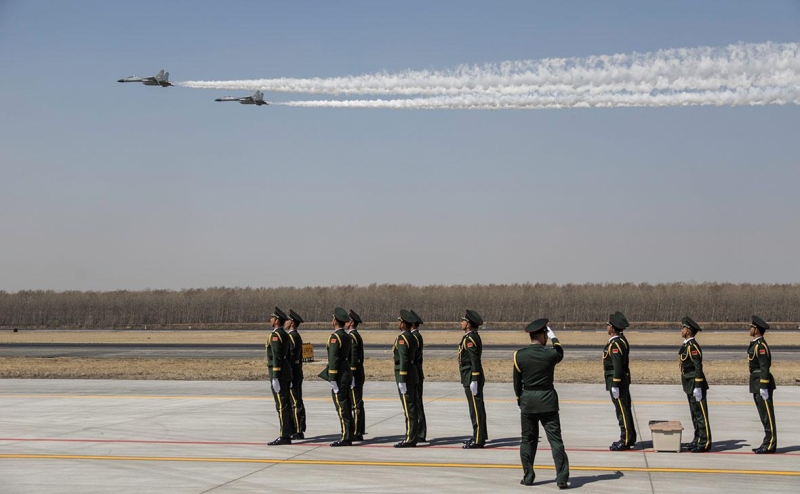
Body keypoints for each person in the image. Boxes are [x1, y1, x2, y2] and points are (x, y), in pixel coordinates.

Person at [513, 318, 569, 489]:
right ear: (543, 335)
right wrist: (554, 337)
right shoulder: (550, 354)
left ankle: (528, 476)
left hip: (528, 401)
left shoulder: (519, 355)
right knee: (555, 441)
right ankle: (561, 478)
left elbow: (517, 383)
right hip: (548, 401)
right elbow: (560, 351)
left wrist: (520, 399)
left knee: (527, 440)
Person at [319, 307, 354, 447]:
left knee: (341, 405)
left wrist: (332, 378)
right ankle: (349, 433)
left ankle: (346, 436)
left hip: (339, 374)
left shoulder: (335, 337)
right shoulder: (346, 336)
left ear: (335, 320)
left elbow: (333, 359)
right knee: (346, 404)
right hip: (346, 371)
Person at [603, 311, 637, 450]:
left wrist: (615, 383)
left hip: (617, 381)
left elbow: (617, 366)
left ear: (612, 328)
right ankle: (630, 436)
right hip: (622, 380)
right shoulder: (621, 340)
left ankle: (626, 438)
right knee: (625, 409)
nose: (607, 328)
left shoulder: (616, 344)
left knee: (621, 411)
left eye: (608, 325)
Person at [678, 315, 711, 452]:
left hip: (695, 383)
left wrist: (698, 386)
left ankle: (705, 441)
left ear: (689, 331)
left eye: (683, 328)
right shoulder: (687, 345)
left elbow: (698, 367)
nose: (681, 330)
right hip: (689, 383)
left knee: (700, 414)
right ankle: (697, 438)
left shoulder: (692, 347)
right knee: (694, 413)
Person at [748, 315, 777, 454]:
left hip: (761, 382)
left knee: (767, 415)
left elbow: (764, 366)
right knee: (763, 415)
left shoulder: (761, 346)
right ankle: (767, 441)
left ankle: (770, 444)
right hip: (756, 382)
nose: (750, 329)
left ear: (757, 330)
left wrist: (764, 386)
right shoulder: (756, 344)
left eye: (752, 327)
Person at [459, 309, 487, 449]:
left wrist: (474, 379)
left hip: (471, 376)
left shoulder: (470, 339)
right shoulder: (473, 336)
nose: (461, 323)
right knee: (478, 408)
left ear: (469, 324)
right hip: (471, 375)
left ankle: (478, 439)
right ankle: (480, 435)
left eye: (463, 321)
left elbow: (474, 360)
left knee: (475, 409)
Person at [266, 307, 293, 445]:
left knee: (281, 405)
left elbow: (277, 357)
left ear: (276, 320)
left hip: (279, 373)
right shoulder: (285, 334)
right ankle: (288, 431)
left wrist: (275, 376)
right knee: (286, 404)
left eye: (272, 318)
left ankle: (284, 435)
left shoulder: (276, 335)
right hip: (286, 372)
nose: (270, 320)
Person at [393, 309, 420, 448]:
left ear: (403, 324)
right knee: (413, 407)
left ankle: (410, 438)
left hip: (406, 375)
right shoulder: (412, 337)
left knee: (409, 408)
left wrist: (402, 379)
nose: (398, 323)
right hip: (413, 373)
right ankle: (413, 436)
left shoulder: (403, 339)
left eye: (400, 321)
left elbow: (403, 359)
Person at [286, 309, 306, 440]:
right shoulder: (296, 336)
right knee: (297, 400)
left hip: (293, 372)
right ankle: (298, 428)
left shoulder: (292, 337)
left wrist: (290, 375)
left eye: (288, 320)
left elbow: (291, 358)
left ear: (292, 322)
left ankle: (297, 430)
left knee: (295, 402)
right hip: (297, 371)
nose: (285, 322)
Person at [347, 309, 366, 441]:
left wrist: (352, 374)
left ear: (352, 322)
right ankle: (359, 429)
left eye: (347, 320)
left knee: (355, 404)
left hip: (355, 373)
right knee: (357, 402)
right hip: (357, 371)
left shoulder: (352, 337)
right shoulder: (355, 335)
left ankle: (357, 431)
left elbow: (354, 357)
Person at [409, 309, 427, 443]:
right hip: (416, 371)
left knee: (417, 403)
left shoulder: (415, 337)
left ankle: (420, 431)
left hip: (415, 372)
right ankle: (419, 430)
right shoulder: (415, 336)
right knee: (416, 402)